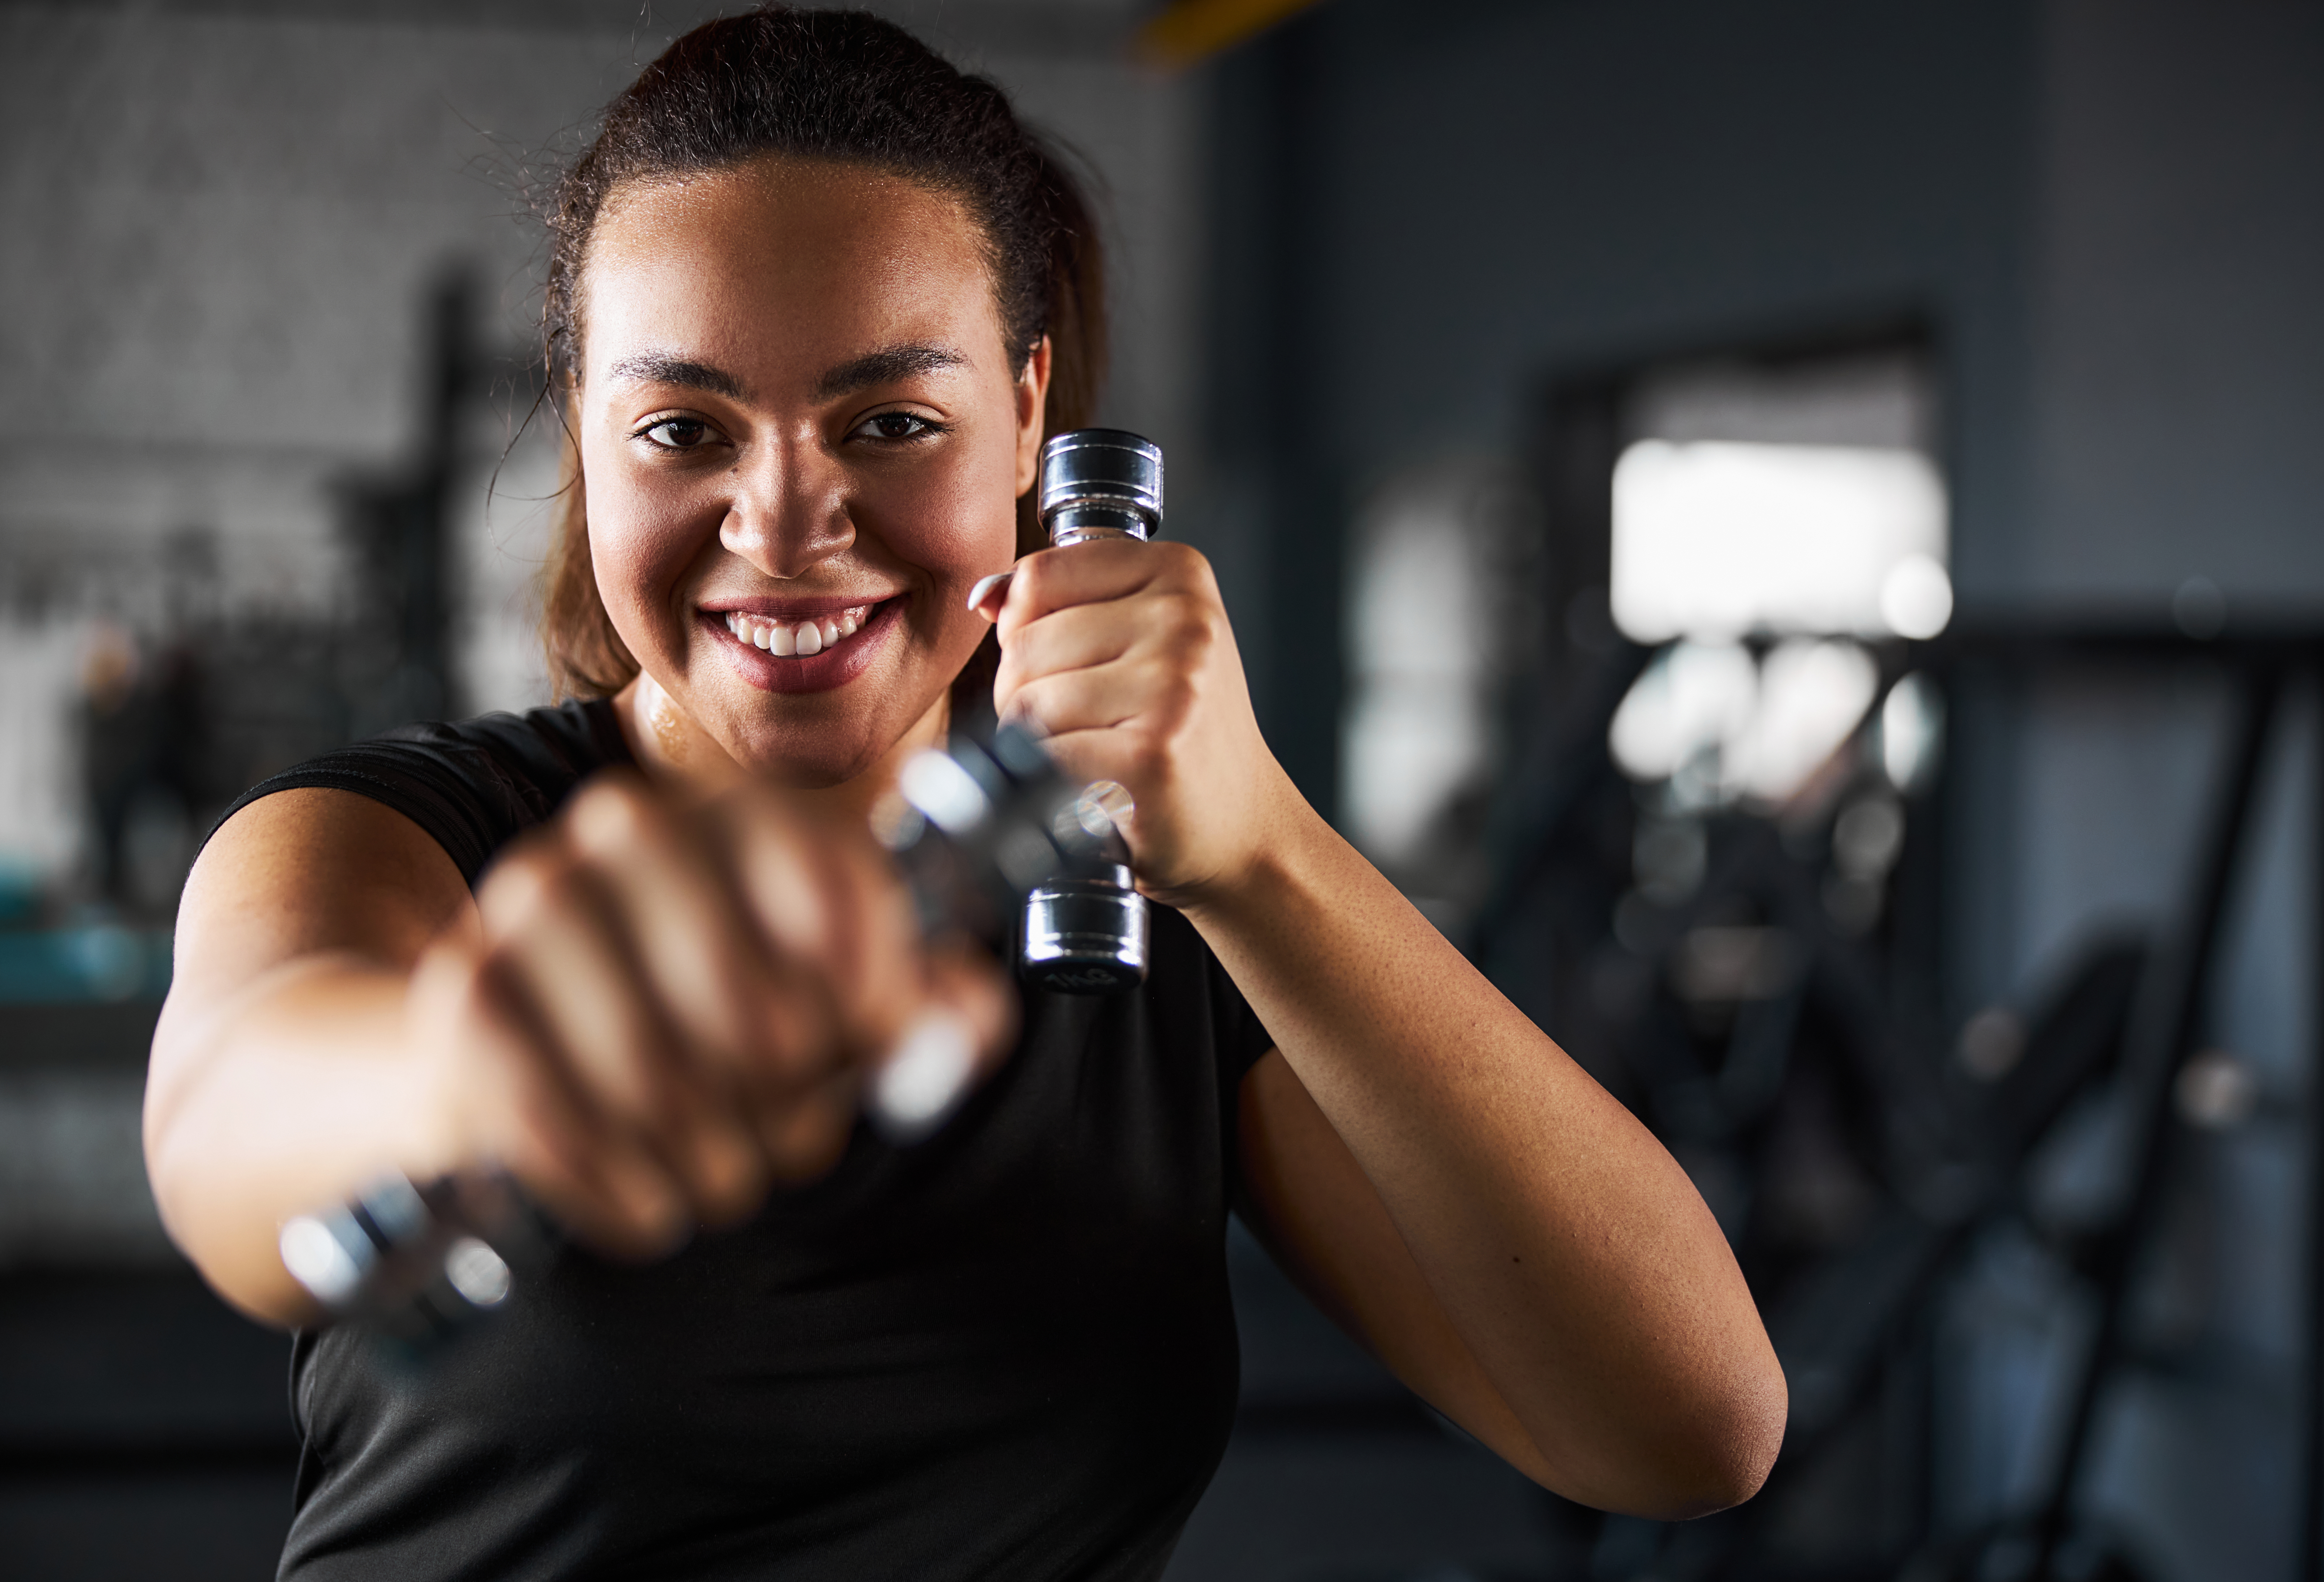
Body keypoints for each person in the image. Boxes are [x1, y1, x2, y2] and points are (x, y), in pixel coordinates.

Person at [144, 9, 1785, 1577]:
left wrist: (1265, 855)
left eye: (891, 420)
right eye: (685, 429)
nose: (786, 524)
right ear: (585, 432)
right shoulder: (387, 836)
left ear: (1027, 421)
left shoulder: (1175, 922)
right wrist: (467, 1065)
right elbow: (232, 1127)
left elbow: (1689, 1428)